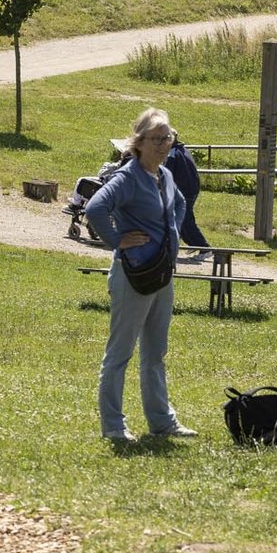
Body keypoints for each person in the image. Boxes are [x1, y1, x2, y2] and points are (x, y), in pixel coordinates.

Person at [82, 107, 197, 443]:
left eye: (168, 138)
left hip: (161, 274)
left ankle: (162, 421)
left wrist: (172, 233)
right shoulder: (127, 178)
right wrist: (118, 240)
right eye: (157, 139)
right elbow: (94, 207)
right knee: (120, 354)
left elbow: (180, 203)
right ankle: (114, 427)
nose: (164, 145)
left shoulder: (165, 175)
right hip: (132, 275)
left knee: (155, 352)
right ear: (140, 142)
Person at [163, 131, 209, 249]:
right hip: (190, 188)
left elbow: (167, 173)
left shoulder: (172, 153)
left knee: (185, 220)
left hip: (184, 190)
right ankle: (187, 244)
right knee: (180, 218)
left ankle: (203, 248)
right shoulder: (182, 149)